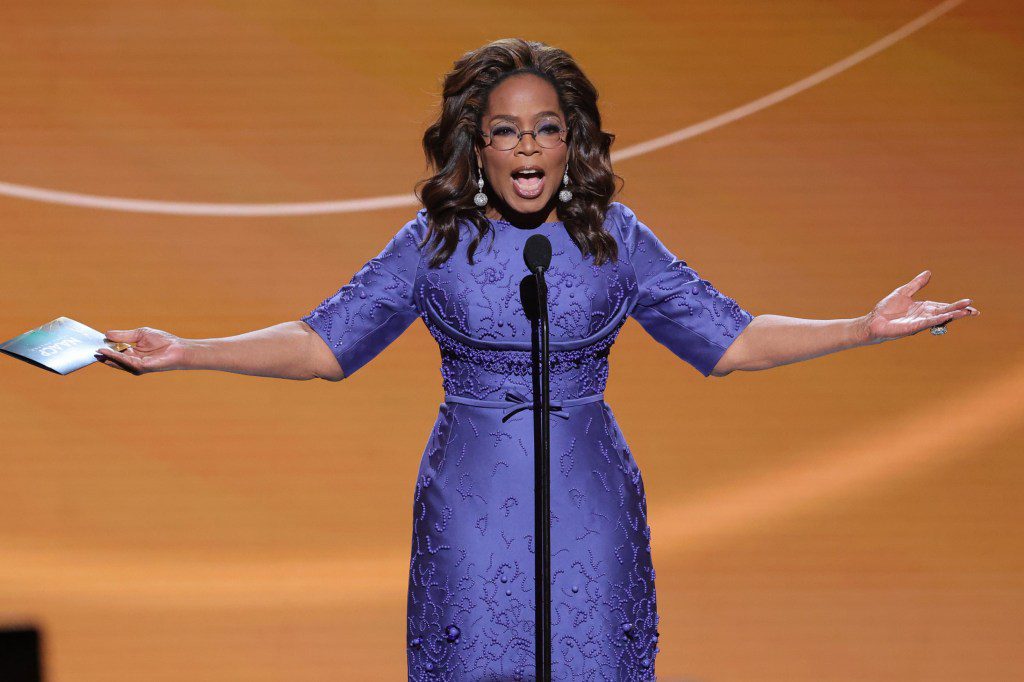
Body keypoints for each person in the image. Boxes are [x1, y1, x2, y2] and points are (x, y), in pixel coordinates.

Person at [95, 38, 980, 681]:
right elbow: (324, 345)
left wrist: (862, 327)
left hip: (591, 505)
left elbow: (734, 339)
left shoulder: (615, 239)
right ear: (476, 145)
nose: (527, 147)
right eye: (507, 130)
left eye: (547, 128)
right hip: (471, 510)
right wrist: (187, 352)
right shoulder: (432, 243)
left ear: (573, 141)